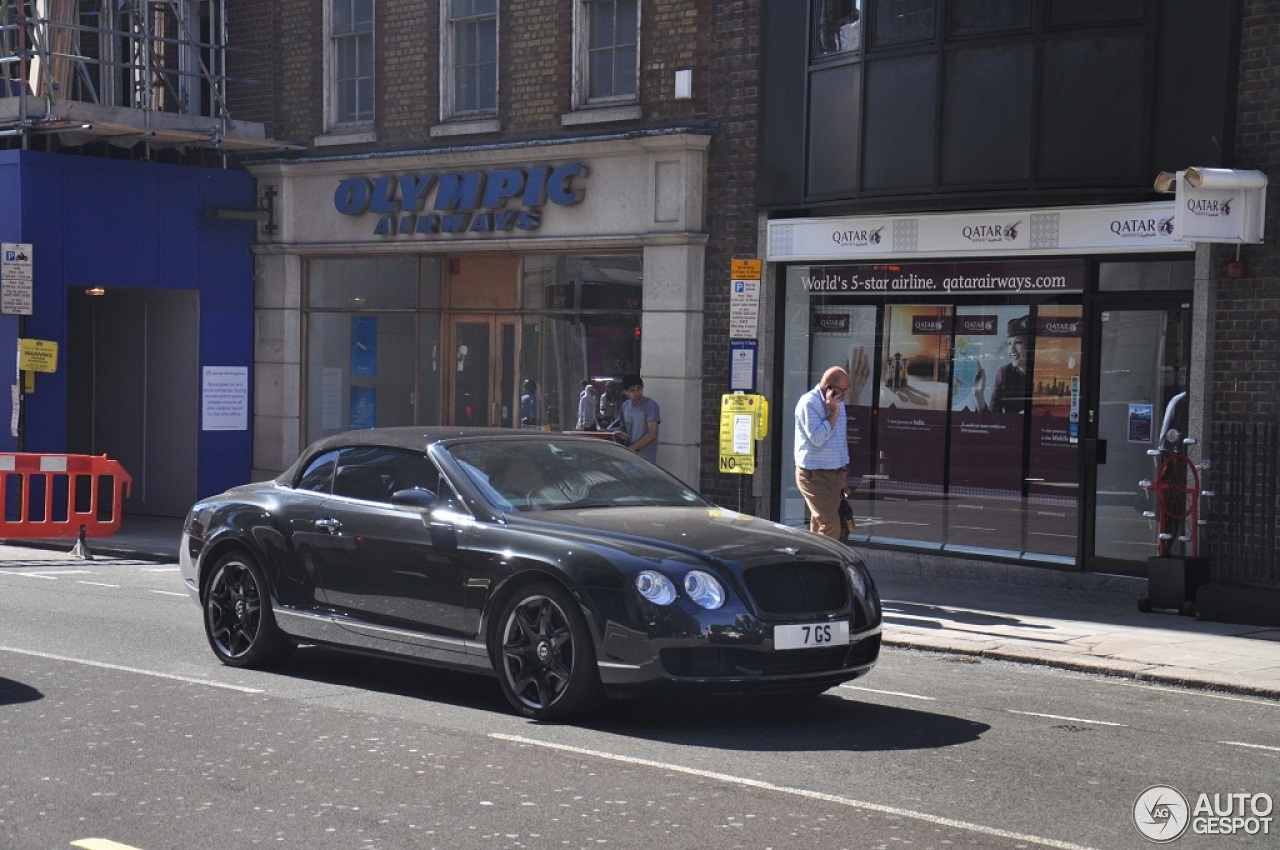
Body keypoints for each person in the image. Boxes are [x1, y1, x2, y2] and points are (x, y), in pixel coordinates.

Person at [794, 365, 851, 539]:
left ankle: (815, 562)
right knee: (830, 524)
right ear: (829, 388)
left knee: (819, 523)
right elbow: (817, 439)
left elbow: (840, 438)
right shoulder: (809, 403)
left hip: (835, 473)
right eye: (842, 390)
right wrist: (833, 412)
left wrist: (844, 466)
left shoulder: (838, 403)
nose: (845, 395)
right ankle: (829, 564)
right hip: (813, 475)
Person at [977, 315, 1031, 414]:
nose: (1012, 350)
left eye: (1018, 343)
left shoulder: (1040, 374)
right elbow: (992, 420)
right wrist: (978, 394)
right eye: (1009, 344)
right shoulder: (1005, 373)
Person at [620, 375, 660, 461]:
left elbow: (652, 434)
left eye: (639, 389)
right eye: (632, 390)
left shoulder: (650, 405)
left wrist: (632, 448)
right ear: (626, 392)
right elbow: (622, 428)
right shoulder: (625, 406)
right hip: (628, 458)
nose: (637, 393)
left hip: (646, 459)